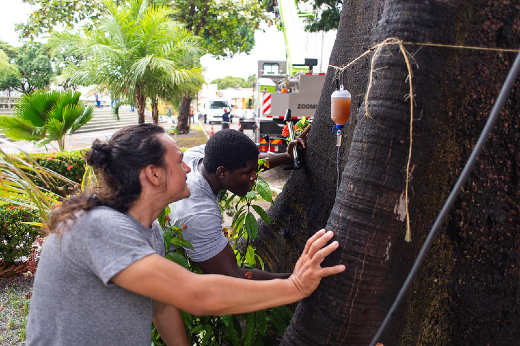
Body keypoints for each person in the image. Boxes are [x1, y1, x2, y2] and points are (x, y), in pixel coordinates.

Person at [26, 124, 344, 346]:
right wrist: (296, 286)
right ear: (153, 174)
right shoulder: (100, 227)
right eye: (179, 163)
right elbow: (197, 296)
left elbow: (163, 306)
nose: (189, 168)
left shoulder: (149, 231)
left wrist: (288, 158)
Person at [168, 128, 310, 280]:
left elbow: (248, 161)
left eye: (253, 171)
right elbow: (232, 276)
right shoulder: (198, 214)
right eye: (248, 173)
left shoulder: (200, 156)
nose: (254, 177)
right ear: (221, 173)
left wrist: (287, 156)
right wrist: (296, 281)